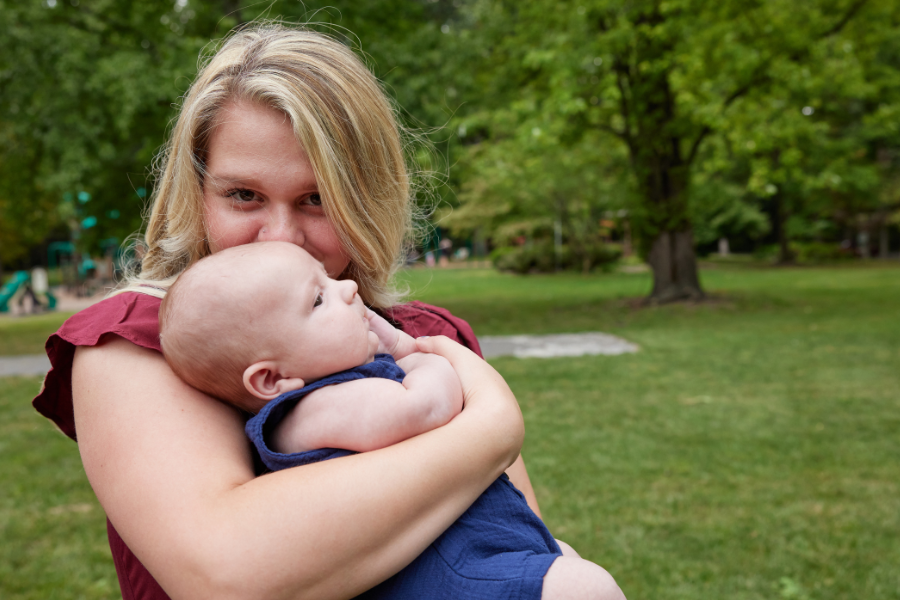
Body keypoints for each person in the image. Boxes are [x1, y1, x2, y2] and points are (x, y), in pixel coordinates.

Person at [32, 24, 624, 599]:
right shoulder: (137, 340)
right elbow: (225, 574)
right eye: (243, 195)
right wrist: (493, 424)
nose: (280, 237)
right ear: (199, 192)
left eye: (316, 198)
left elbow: (520, 546)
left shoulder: (423, 333)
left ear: (366, 197)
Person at [157, 241, 624, 599]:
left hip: (478, 549)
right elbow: (425, 408)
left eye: (327, 277)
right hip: (447, 573)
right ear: (272, 379)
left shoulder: (339, 386)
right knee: (588, 588)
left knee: (571, 564)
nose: (347, 289)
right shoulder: (313, 409)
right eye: (317, 299)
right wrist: (420, 356)